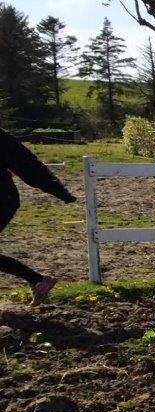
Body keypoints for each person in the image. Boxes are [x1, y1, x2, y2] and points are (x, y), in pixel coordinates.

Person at [0, 128, 76, 304]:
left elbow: (27, 165)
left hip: (3, 200)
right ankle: (39, 281)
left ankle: (39, 280)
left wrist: (58, 190)